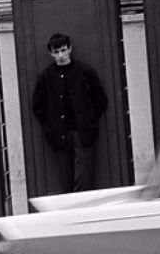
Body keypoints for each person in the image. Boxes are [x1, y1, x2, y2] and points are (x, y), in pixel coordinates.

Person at [33, 32, 107, 193]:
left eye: (63, 50)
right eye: (56, 52)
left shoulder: (85, 71)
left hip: (83, 132)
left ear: (70, 49)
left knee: (84, 178)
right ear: (51, 54)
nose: (61, 55)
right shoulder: (45, 76)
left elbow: (100, 99)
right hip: (59, 134)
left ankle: (81, 206)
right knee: (65, 179)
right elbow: (38, 106)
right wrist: (51, 123)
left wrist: (89, 119)